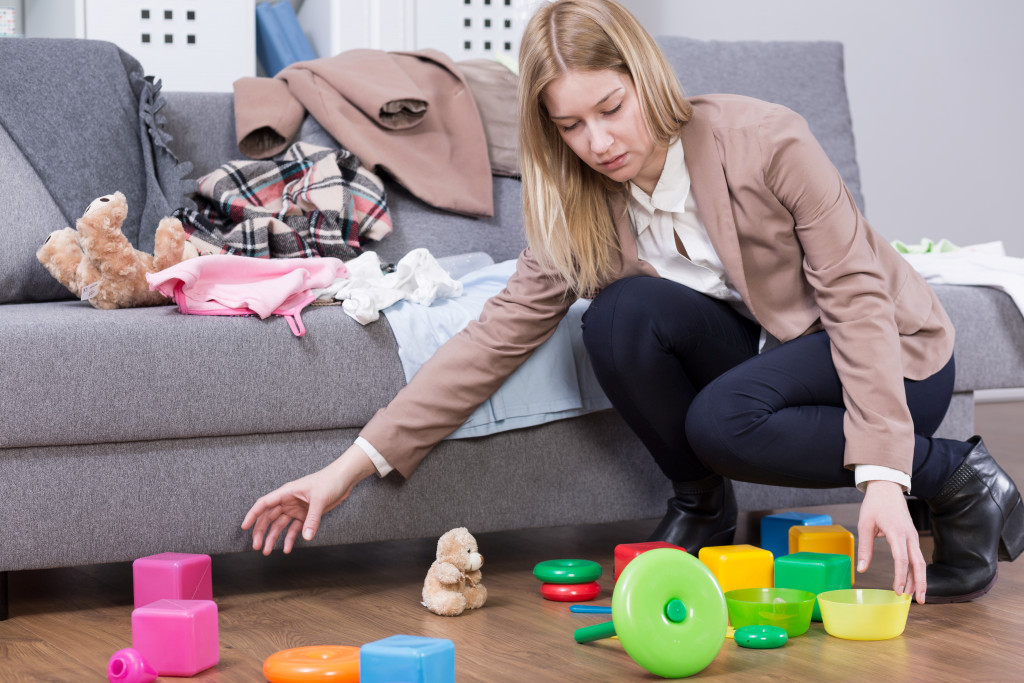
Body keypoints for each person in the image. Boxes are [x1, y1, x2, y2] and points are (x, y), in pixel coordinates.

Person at [242, 0, 1024, 605]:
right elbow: (493, 338)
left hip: (891, 352)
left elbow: (855, 296)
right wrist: (347, 468)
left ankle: (956, 474)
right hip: (773, 357)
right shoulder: (579, 201)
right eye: (571, 124)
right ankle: (703, 505)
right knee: (614, 318)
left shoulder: (768, 140)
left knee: (721, 420)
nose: (599, 141)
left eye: (611, 108)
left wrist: (886, 475)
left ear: (646, 76)